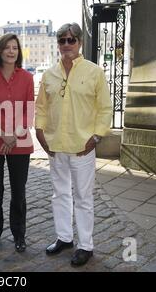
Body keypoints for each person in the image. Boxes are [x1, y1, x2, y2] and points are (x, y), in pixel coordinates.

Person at [35, 23, 112, 266]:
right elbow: (41, 107)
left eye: (71, 40)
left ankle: (86, 245)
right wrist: (39, 131)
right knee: (59, 194)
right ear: (58, 44)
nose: (66, 45)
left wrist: (96, 137)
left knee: (83, 197)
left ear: (79, 42)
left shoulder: (94, 72)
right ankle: (64, 237)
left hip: (82, 147)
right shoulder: (49, 74)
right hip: (55, 145)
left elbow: (105, 109)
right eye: (62, 40)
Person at [0, 33, 34, 253]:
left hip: (19, 141)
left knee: (18, 192)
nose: (12, 51)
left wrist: (14, 136)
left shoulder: (28, 78)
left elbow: (29, 112)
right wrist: (4, 135)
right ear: (0, 52)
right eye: (7, 47)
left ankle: (19, 234)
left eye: (15, 47)